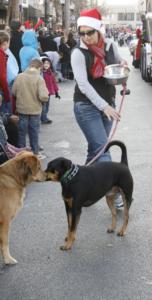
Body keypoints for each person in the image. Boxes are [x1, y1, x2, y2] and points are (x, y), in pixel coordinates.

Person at [71, 8, 127, 208]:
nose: (85, 37)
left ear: (98, 30)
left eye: (89, 32)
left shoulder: (110, 46)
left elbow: (117, 66)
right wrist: (104, 107)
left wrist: (123, 67)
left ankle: (80, 188)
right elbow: (83, 85)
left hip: (107, 105)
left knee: (94, 150)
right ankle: (115, 192)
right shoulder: (78, 53)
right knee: (103, 151)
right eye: (82, 33)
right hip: (86, 107)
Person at [12, 58, 48, 158]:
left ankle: (21, 154)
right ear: (39, 68)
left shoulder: (20, 76)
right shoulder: (39, 79)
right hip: (35, 110)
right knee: (34, 132)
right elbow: (43, 96)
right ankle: (35, 153)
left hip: (22, 110)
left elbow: (14, 91)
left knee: (21, 132)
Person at [41, 57, 60, 124]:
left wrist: (56, 92)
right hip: (42, 93)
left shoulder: (50, 73)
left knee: (47, 106)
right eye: (44, 63)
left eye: (48, 63)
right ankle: (43, 118)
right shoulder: (41, 73)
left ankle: (44, 117)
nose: (46, 65)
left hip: (48, 93)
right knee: (43, 106)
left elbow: (54, 82)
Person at [0, 30, 11, 113]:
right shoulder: (1, 54)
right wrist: (7, 94)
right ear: (5, 43)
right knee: (4, 114)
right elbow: (2, 76)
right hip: (1, 89)